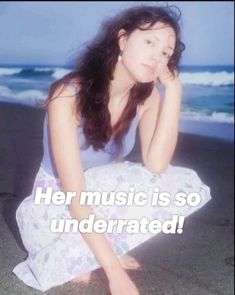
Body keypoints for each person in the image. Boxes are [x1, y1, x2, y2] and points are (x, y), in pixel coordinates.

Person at [12, 4, 212, 294]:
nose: (158, 55)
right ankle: (91, 254)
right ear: (122, 40)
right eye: (149, 41)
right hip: (53, 210)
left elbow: (157, 165)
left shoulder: (147, 98)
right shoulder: (68, 95)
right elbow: (76, 196)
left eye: (166, 52)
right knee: (79, 269)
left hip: (99, 200)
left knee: (174, 181)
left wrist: (175, 92)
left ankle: (92, 252)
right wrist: (115, 274)